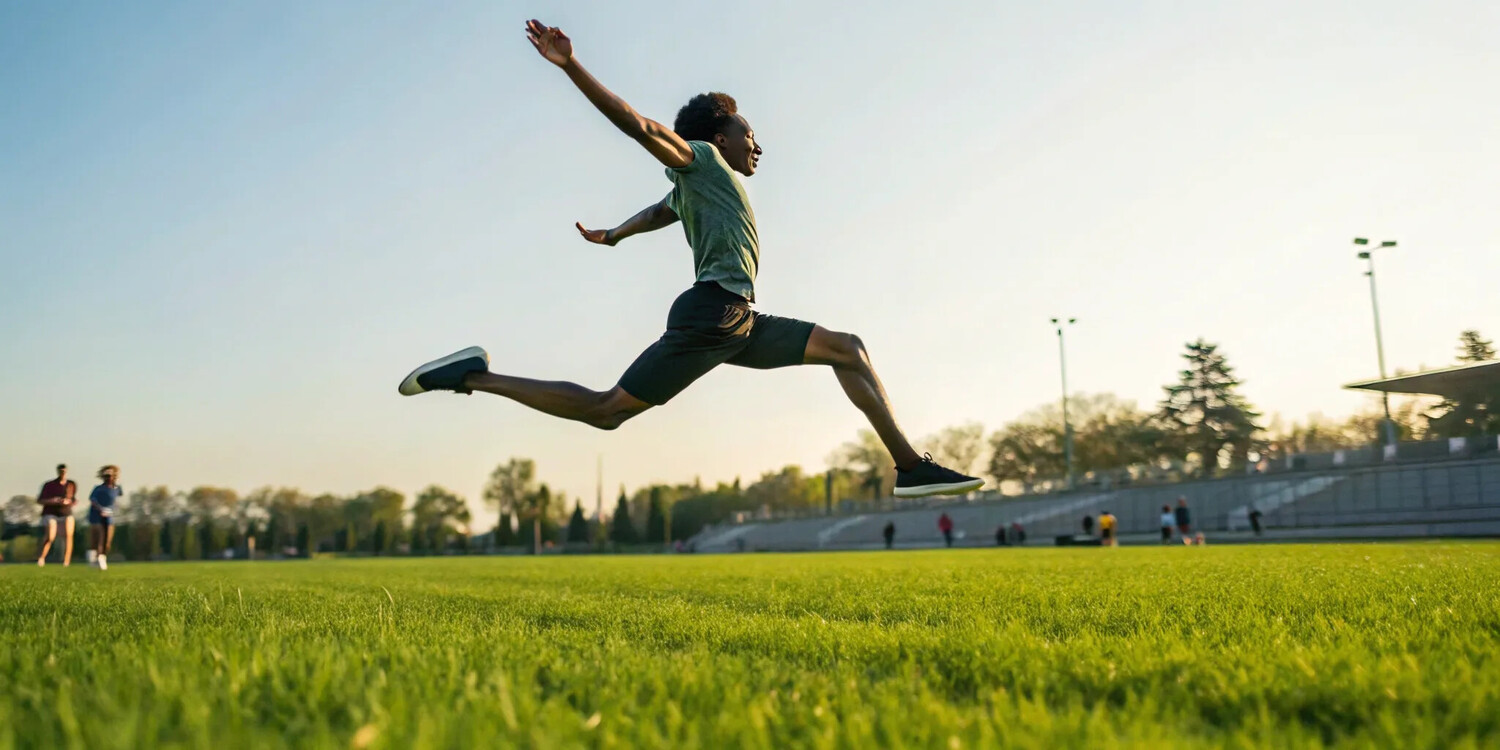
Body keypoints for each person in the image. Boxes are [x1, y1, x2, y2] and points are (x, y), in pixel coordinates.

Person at [397, 20, 983, 500]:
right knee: (606, 410)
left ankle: (911, 468)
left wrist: (616, 234)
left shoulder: (698, 186)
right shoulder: (702, 158)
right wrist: (571, 66)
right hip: (714, 316)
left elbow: (661, 210)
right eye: (748, 132)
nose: (756, 144)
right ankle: (471, 375)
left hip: (737, 321)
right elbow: (640, 127)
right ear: (720, 138)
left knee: (848, 349)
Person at [36, 463, 77, 567]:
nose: (62, 473)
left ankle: (66, 561)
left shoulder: (71, 484)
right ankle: (41, 557)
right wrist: (52, 501)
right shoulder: (49, 485)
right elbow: (40, 500)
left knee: (68, 535)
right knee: (50, 536)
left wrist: (68, 502)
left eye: (64, 471)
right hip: (51, 512)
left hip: (66, 512)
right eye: (61, 471)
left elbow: (73, 499)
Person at [88, 465, 122, 570]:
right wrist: (101, 509)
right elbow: (93, 500)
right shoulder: (98, 489)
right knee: (98, 538)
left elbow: (118, 501)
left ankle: (102, 557)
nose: (108, 478)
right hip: (97, 515)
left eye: (110, 475)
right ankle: (94, 560)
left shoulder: (117, 489)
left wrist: (112, 510)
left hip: (109, 516)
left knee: (107, 541)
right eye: (106, 476)